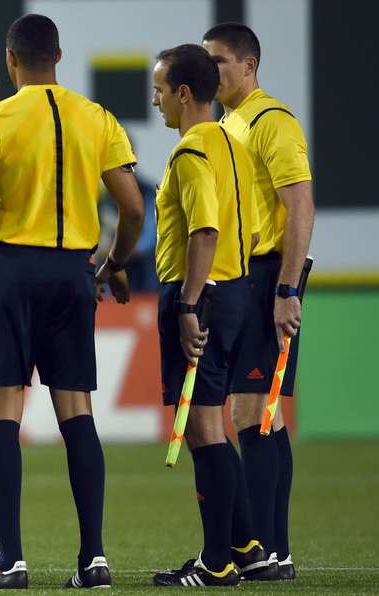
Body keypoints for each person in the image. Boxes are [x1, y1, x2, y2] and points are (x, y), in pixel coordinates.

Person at [0, 14, 144, 590]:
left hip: (9, 271)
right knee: (76, 413)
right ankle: (94, 560)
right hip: (72, 274)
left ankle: (10, 562)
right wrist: (116, 263)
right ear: (58, 55)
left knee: (0, 413)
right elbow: (132, 209)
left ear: (10, 62)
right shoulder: (97, 117)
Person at [147, 44, 263, 588]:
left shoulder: (192, 151)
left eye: (160, 90)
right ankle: (247, 546)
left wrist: (191, 303)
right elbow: (256, 228)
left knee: (202, 428)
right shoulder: (234, 145)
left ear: (184, 93)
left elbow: (205, 230)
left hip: (200, 296)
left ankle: (216, 563)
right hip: (238, 291)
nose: (155, 100)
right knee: (213, 424)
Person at [203, 24, 315, 581]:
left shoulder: (273, 122)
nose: (210, 71)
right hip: (241, 279)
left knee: (257, 413)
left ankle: (269, 550)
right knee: (253, 414)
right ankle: (270, 549)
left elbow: (300, 207)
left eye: (218, 61)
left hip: (270, 277)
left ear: (248, 65)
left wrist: (287, 289)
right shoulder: (228, 124)